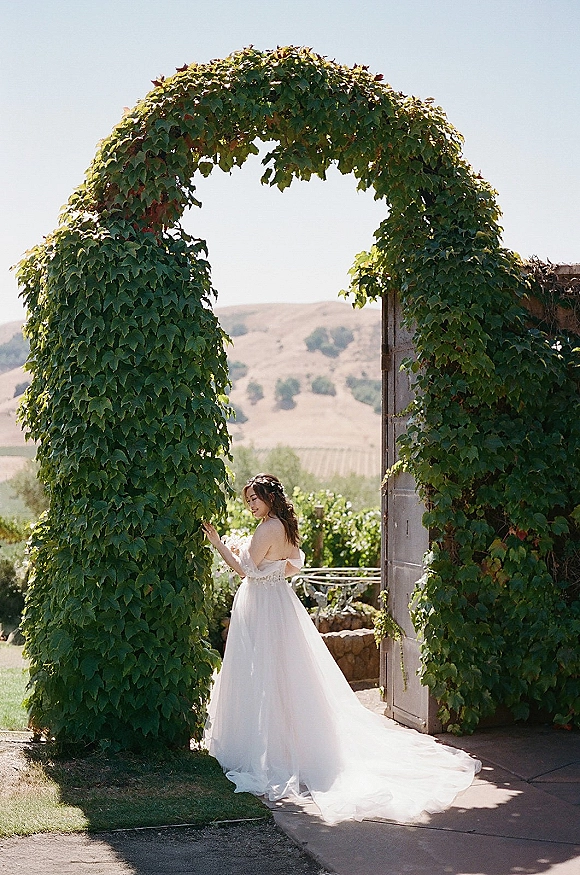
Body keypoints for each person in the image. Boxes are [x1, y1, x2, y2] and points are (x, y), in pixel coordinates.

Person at [202, 473, 480, 825]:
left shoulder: (267, 528)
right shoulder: (285, 527)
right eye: (248, 501)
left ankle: (268, 749)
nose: (251, 505)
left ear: (270, 498)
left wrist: (217, 542)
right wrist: (267, 570)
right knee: (285, 674)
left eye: (255, 498)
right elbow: (293, 562)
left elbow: (243, 570)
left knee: (263, 673)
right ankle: (287, 743)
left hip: (261, 606)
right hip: (279, 603)